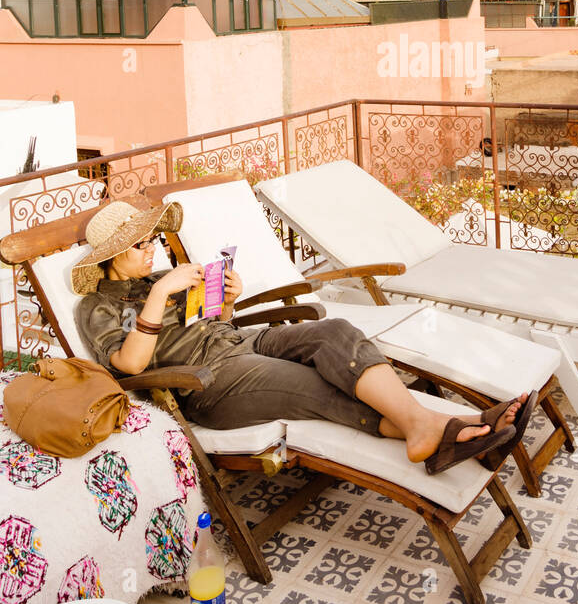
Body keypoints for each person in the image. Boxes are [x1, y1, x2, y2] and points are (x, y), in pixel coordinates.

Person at [73, 200, 535, 474]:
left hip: (238, 343)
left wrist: (227, 301)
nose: (151, 246)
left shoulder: (160, 278)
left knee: (334, 331)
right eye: (140, 244)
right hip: (205, 382)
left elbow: (215, 323)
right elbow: (131, 365)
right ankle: (455, 430)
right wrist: (161, 294)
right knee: (310, 383)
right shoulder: (99, 305)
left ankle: (432, 430)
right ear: (112, 255)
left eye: (153, 237)